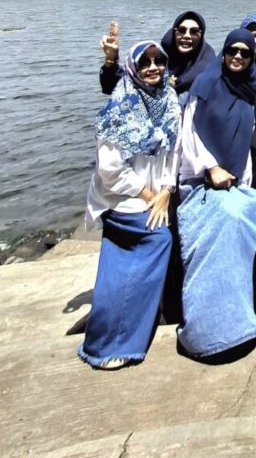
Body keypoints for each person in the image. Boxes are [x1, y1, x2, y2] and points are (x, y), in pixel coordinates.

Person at [177, 29, 256, 359]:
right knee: (226, 223)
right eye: (233, 51)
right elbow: (189, 136)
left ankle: (243, 317)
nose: (239, 57)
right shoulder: (205, 85)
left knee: (248, 215)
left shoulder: (252, 91)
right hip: (201, 180)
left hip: (237, 184)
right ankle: (208, 330)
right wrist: (210, 168)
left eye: (246, 53)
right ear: (225, 52)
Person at [79, 41, 181, 370]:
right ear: (133, 67)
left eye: (158, 61)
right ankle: (112, 342)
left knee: (161, 239)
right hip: (122, 196)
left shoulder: (169, 100)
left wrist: (166, 189)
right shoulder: (120, 105)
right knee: (157, 238)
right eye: (145, 62)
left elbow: (174, 153)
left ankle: (135, 325)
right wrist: (149, 195)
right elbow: (110, 170)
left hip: (155, 194)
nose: (153, 68)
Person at [99, 11, 215, 104]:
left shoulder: (207, 71)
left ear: (201, 36)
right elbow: (116, 86)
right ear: (174, 33)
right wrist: (111, 61)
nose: (187, 36)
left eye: (194, 31)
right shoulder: (159, 58)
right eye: (181, 30)